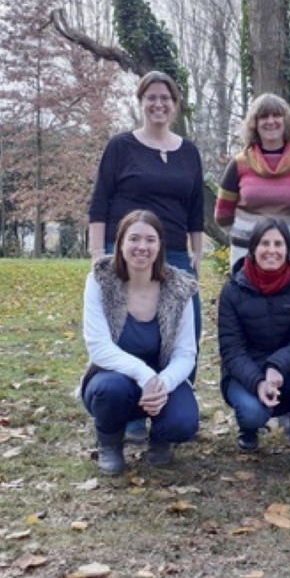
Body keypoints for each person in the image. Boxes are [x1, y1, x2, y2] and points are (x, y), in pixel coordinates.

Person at [88, 70, 204, 443]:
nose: (158, 104)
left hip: (173, 254)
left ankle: (166, 405)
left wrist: (196, 253)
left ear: (175, 105)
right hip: (127, 251)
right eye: (151, 97)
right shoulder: (121, 147)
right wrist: (98, 253)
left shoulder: (188, 151)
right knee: (126, 330)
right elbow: (100, 201)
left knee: (184, 336)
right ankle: (131, 415)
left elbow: (195, 208)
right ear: (140, 103)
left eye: (165, 98)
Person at [79, 210, 199, 474]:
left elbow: (186, 353)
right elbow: (99, 347)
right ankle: (109, 443)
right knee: (110, 390)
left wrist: (161, 384)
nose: (141, 247)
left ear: (160, 246)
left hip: (161, 381)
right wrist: (145, 376)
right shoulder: (100, 281)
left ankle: (161, 438)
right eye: (134, 239)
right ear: (121, 244)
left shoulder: (180, 288)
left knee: (184, 423)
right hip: (114, 379)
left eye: (150, 240)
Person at [217, 218, 290, 464]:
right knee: (253, 414)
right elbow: (231, 350)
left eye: (278, 244)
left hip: (289, 366)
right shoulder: (232, 290)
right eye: (264, 243)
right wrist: (258, 381)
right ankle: (249, 428)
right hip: (244, 370)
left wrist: (276, 365)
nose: (271, 250)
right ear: (253, 249)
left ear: (288, 250)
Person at [214, 93, 290, 274]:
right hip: (245, 255)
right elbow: (222, 213)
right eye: (263, 116)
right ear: (254, 124)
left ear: (286, 120)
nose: (270, 121)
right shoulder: (239, 163)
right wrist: (244, 237)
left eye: (276, 115)